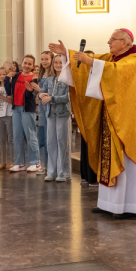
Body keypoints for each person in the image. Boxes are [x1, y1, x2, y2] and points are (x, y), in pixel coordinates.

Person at [50, 28, 136, 219]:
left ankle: (131, 207)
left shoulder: (134, 59)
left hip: (127, 125)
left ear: (125, 42)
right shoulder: (112, 58)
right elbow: (91, 61)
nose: (109, 42)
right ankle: (110, 204)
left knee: (127, 163)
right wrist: (66, 53)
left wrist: (92, 62)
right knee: (108, 159)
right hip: (111, 119)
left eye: (113, 39)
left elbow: (114, 72)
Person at [5, 55, 40, 173]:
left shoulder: (34, 78)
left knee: (30, 136)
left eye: (30, 64)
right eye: (25, 63)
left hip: (27, 109)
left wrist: (31, 90)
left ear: (33, 66)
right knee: (17, 136)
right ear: (22, 63)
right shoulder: (16, 76)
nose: (27, 66)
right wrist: (7, 78)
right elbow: (8, 91)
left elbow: (32, 95)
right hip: (16, 109)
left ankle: (35, 163)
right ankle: (19, 163)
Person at [40, 54, 72, 182]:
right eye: (56, 62)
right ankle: (51, 171)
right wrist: (41, 95)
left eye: (60, 62)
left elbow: (68, 97)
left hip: (63, 113)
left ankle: (63, 172)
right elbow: (43, 92)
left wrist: (52, 98)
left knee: (62, 142)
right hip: (50, 114)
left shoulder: (68, 79)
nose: (58, 65)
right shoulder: (49, 79)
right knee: (51, 142)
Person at [31, 51, 55, 175]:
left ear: (51, 60)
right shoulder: (40, 75)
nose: (44, 62)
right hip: (41, 109)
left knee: (50, 138)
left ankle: (51, 166)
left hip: (50, 109)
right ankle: (44, 164)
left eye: (46, 59)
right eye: (42, 59)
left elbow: (50, 93)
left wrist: (39, 90)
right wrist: (33, 90)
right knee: (42, 138)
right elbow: (38, 94)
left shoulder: (54, 75)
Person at [79, 51, 98, 186]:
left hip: (95, 115)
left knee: (93, 146)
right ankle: (85, 174)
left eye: (90, 58)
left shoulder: (98, 75)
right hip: (84, 115)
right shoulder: (80, 76)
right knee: (84, 144)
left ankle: (93, 175)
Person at [0, 66, 14, 171]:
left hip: (9, 114)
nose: (1, 76)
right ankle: (3, 162)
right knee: (2, 140)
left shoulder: (9, 86)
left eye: (3, 74)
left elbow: (11, 101)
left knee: (11, 139)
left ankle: (13, 161)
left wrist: (0, 96)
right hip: (0, 115)